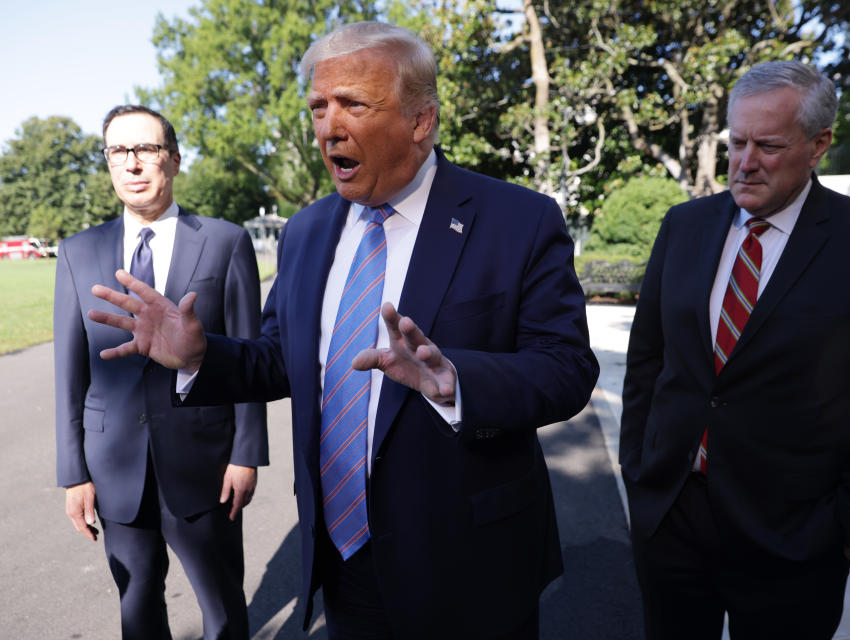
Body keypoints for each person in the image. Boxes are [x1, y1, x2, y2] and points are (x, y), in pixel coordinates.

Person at [87, 23, 599, 639]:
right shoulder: (307, 231)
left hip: (471, 561)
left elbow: (567, 368)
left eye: (354, 104)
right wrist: (202, 355)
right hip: (344, 557)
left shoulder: (517, 218)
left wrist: (458, 381)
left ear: (420, 120)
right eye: (318, 107)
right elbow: (281, 357)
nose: (329, 126)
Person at [618, 61, 850, 640]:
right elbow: (648, 361)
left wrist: (848, 532)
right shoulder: (683, 226)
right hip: (672, 515)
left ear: (818, 145)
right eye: (737, 142)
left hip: (794, 539)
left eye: (767, 145)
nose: (745, 161)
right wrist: (638, 471)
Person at [55, 105, 267, 639]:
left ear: (173, 158)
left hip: (206, 464)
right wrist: (73, 471)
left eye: (145, 149)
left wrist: (246, 454)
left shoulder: (226, 242)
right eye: (118, 152)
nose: (132, 163)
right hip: (114, 467)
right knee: (138, 606)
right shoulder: (78, 253)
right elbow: (69, 373)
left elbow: (249, 357)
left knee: (222, 608)